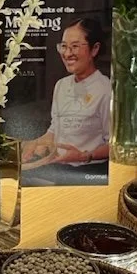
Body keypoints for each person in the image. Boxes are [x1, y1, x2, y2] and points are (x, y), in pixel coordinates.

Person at [23, 18, 110, 172]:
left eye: (75, 46)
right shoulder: (61, 85)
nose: (67, 53)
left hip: (90, 171)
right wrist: (35, 144)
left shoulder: (105, 89)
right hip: (58, 167)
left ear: (94, 49)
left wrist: (84, 156)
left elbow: (115, 145)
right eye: (63, 46)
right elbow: (55, 129)